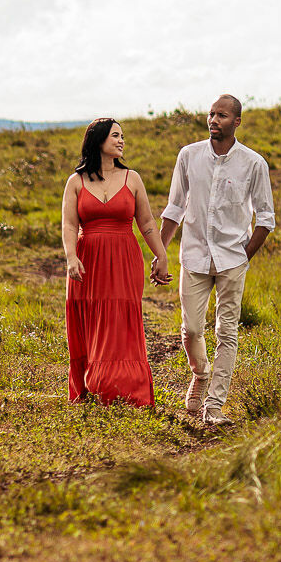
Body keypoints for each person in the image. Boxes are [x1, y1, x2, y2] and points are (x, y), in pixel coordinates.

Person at [158, 94, 275, 425]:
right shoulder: (189, 156)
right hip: (194, 256)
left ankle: (214, 407)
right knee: (191, 329)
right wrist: (161, 252)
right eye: (211, 114)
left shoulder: (254, 164)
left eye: (221, 115)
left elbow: (266, 219)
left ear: (236, 122)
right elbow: (175, 208)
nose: (213, 120)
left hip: (232, 259)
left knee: (227, 331)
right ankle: (201, 372)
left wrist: (243, 256)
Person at [63, 117, 170, 407]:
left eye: (122, 136)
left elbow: (147, 223)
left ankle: (125, 388)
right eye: (115, 136)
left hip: (124, 258)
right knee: (92, 318)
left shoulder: (132, 178)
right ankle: (90, 385)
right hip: (88, 261)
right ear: (98, 140)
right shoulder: (76, 181)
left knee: (120, 320)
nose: (121, 141)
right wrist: (71, 257)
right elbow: (70, 225)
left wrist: (161, 256)